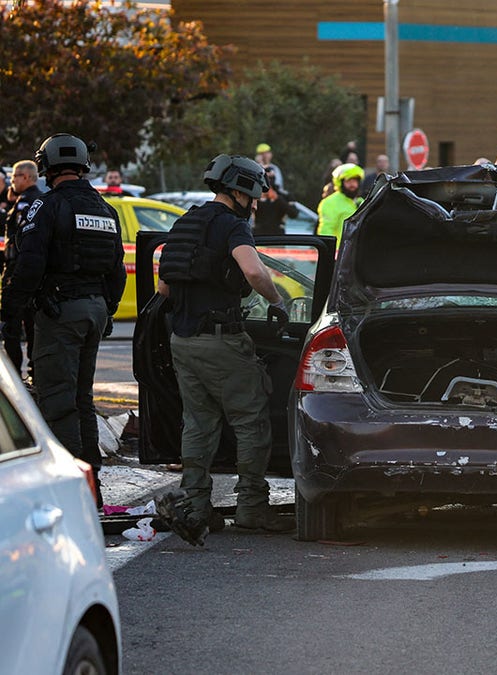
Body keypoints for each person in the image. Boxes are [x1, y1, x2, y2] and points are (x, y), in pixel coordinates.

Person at [155, 153, 293, 545]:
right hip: (222, 341)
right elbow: (252, 270)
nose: (256, 205)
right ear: (241, 191)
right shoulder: (232, 226)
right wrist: (278, 302)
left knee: (198, 424)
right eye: (255, 196)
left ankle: (197, 508)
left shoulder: (185, 222)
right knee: (251, 421)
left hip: (183, 340)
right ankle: (252, 508)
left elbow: (164, 288)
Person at [4, 134, 125, 508]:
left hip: (61, 312)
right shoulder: (105, 209)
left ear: (46, 166)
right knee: (82, 399)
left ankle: (77, 493)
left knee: (58, 403)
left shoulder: (47, 206)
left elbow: (29, 265)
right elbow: (117, 270)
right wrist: (107, 309)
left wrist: (8, 312)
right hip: (94, 310)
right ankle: (94, 485)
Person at [1, 160, 43, 381]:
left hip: (17, 273)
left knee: (12, 329)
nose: (12, 180)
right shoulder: (36, 201)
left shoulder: (25, 203)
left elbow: (18, 243)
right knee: (33, 329)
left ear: (26, 177)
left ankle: (14, 379)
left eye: (15, 176)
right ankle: (35, 375)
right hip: (31, 275)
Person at [317, 162, 362, 249]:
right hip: (338, 256)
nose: (352, 184)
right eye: (348, 180)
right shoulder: (330, 202)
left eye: (355, 180)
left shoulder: (362, 202)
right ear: (340, 182)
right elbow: (326, 232)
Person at [252, 167, 298, 237]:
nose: (269, 181)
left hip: (277, 237)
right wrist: (258, 199)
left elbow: (294, 214)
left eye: (271, 177)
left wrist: (277, 199)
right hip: (259, 236)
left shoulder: (284, 195)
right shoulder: (255, 194)